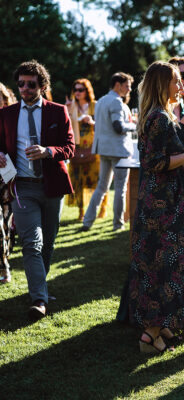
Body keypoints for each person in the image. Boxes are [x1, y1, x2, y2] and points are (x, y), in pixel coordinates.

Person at [118, 61, 184, 353]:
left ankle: (160, 331)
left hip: (164, 198)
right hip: (160, 206)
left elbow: (165, 153)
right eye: (175, 80)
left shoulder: (160, 115)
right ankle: (150, 335)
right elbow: (154, 163)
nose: (180, 86)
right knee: (160, 267)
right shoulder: (159, 117)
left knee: (165, 265)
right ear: (162, 84)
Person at [0, 60, 75, 319]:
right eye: (20, 84)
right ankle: (39, 299)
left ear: (42, 86)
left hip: (52, 186)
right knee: (32, 243)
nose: (24, 89)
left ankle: (39, 287)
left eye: (30, 85)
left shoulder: (58, 111)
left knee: (48, 244)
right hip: (22, 187)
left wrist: (48, 151)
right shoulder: (7, 114)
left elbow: (69, 147)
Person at [81, 72, 135, 231]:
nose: (129, 90)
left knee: (102, 187)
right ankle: (118, 224)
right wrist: (136, 126)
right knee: (120, 188)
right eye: (127, 86)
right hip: (118, 150)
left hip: (103, 149)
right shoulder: (117, 102)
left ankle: (87, 222)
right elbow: (118, 127)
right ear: (118, 85)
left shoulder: (100, 101)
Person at [65, 79, 108, 221]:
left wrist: (91, 121)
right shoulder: (70, 106)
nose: (77, 92)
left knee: (96, 180)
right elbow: (65, 127)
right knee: (78, 181)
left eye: (80, 90)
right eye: (75, 89)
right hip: (77, 148)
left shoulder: (95, 106)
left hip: (94, 148)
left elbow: (104, 125)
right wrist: (67, 111)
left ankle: (102, 208)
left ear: (87, 91)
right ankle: (81, 212)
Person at [0, 82, 17, 284]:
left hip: (8, 180)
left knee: (7, 226)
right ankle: (4, 267)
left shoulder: (13, 119)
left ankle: (5, 264)